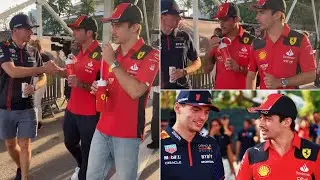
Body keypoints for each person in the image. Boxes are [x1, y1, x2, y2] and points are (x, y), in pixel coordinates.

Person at [87, 3, 159, 180]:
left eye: (118, 25)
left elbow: (136, 91)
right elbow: (109, 86)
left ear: (134, 27)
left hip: (127, 133)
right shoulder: (111, 54)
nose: (113, 29)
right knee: (91, 177)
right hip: (102, 128)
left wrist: (113, 63)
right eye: (112, 25)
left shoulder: (151, 54)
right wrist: (97, 87)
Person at [0, 13, 60, 180]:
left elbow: (43, 77)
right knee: (10, 145)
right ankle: (21, 167)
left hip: (27, 106)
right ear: (15, 30)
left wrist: (34, 86)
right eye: (27, 29)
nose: (31, 33)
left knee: (25, 144)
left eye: (32, 29)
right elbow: (12, 71)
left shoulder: (33, 51)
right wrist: (42, 69)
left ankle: (25, 177)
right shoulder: (3, 47)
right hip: (6, 107)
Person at [237, 93, 320, 179]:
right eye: (261, 118)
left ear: (286, 122)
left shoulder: (316, 153)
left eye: (267, 119)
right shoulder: (251, 155)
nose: (260, 124)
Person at [60, 15, 102, 180]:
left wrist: (82, 84)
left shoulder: (102, 54)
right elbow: (71, 74)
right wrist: (57, 70)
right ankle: (82, 165)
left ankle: (85, 173)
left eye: (78, 30)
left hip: (90, 112)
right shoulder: (77, 50)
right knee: (69, 142)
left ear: (89, 32)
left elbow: (103, 88)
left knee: (88, 148)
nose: (74, 33)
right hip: (72, 108)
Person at [246, 0, 316, 89]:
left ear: (277, 15)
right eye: (257, 13)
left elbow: (311, 75)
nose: (257, 17)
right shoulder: (256, 43)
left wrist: (281, 82)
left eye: (262, 13)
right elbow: (251, 76)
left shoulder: (300, 40)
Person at [161, 91, 225, 180]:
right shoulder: (159, 144)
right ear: (177, 108)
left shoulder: (211, 144)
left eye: (206, 112)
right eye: (196, 110)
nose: (202, 117)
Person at [203, 2, 255, 89]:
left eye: (225, 20)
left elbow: (258, 73)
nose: (221, 24)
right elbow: (206, 70)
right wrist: (210, 50)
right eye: (219, 20)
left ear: (236, 19)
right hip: (219, 94)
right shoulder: (217, 40)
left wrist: (239, 68)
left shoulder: (251, 41)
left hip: (241, 96)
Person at [161, 0, 201, 89]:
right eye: (175, 15)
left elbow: (197, 61)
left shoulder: (184, 36)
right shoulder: (154, 38)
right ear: (162, 16)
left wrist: (184, 71)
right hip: (161, 91)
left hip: (184, 87)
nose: (179, 18)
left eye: (179, 15)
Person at [29, 39, 52, 130]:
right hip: (42, 79)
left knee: (35, 102)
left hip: (35, 79)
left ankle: (37, 122)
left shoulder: (32, 55)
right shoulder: (44, 56)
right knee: (37, 102)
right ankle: (38, 121)